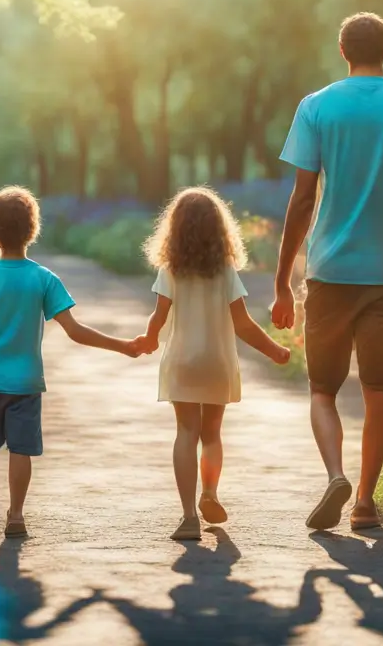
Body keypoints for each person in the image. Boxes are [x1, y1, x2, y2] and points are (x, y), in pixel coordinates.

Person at [270, 12, 383, 532]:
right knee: (378, 392)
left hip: (330, 271)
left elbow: (302, 199)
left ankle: (334, 475)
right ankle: (365, 502)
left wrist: (282, 279)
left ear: (342, 51)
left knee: (323, 389)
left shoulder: (317, 107)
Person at [0, 186, 142, 542]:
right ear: (32, 230)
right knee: (21, 450)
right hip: (24, 383)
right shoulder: (43, 278)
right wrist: (123, 346)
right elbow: (75, 331)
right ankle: (16, 515)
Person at [135, 187, 291, 541]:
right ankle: (210, 492)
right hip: (217, 363)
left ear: (174, 229)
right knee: (212, 434)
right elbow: (244, 325)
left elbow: (158, 318)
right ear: (220, 229)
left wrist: (146, 341)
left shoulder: (170, 269)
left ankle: (189, 516)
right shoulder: (225, 271)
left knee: (185, 433)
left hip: (182, 363)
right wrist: (274, 351)